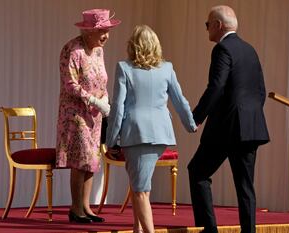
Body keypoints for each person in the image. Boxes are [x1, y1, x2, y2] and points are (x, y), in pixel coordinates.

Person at [105, 25, 197, 233]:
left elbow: (118, 108)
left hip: (137, 134)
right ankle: (138, 229)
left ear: (133, 46)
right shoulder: (167, 68)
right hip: (160, 134)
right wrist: (190, 124)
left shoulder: (124, 68)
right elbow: (180, 101)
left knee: (140, 191)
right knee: (140, 185)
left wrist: (110, 140)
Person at [187, 5, 270, 233]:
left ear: (218, 25)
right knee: (245, 187)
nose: (207, 30)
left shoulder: (223, 49)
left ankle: (208, 229)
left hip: (227, 128)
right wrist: (249, 116)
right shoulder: (250, 49)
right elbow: (261, 91)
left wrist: (196, 117)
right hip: (251, 127)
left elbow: (217, 86)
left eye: (207, 25)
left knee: (197, 172)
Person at [56, 8, 120, 223]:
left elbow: (101, 79)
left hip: (95, 114)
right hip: (76, 114)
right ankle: (76, 209)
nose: (106, 35)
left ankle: (86, 207)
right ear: (88, 31)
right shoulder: (72, 50)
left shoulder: (99, 51)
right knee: (80, 159)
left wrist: (106, 100)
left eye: (107, 31)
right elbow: (70, 84)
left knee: (92, 160)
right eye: (102, 30)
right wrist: (92, 100)